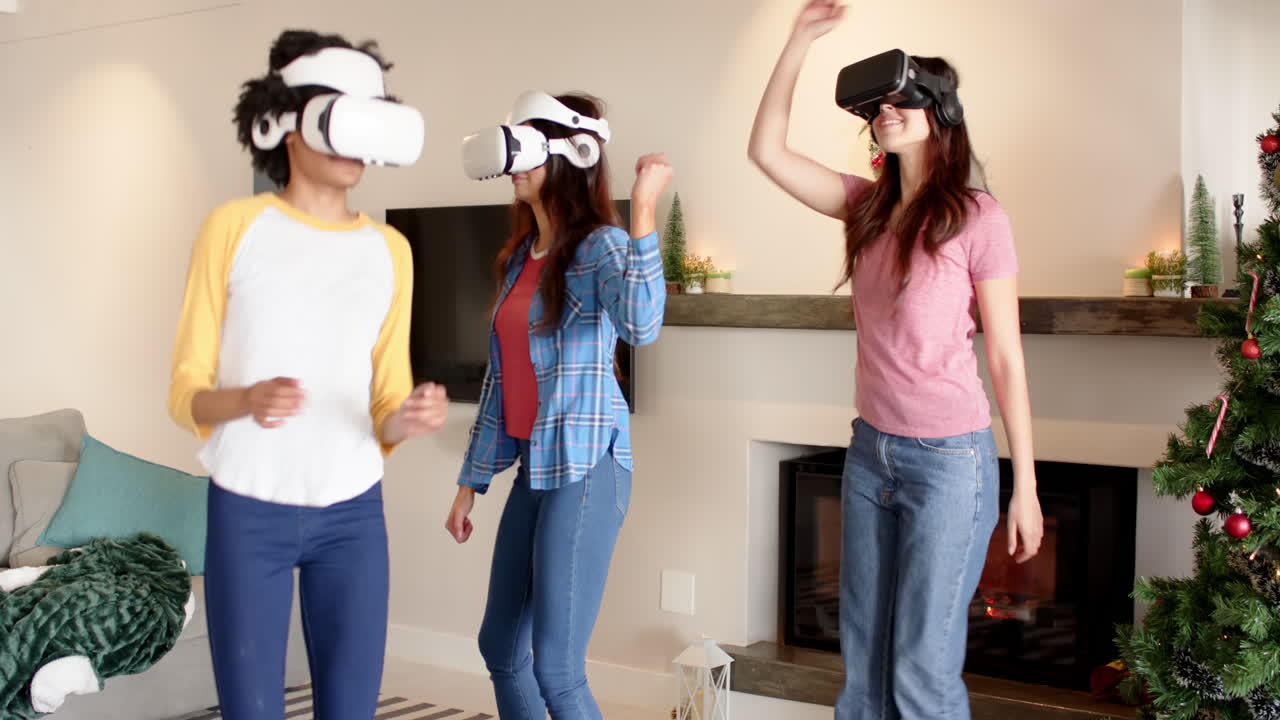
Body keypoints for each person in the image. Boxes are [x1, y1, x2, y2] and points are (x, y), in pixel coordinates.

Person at [748, 3, 1044, 718]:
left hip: (950, 462)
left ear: (939, 111)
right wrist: (798, 42)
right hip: (871, 453)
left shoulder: (979, 218)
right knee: (866, 666)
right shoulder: (866, 211)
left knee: (920, 668)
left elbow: (1004, 355)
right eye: (877, 105)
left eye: (901, 99)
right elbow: (766, 151)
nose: (885, 110)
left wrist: (1025, 485)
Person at [167, 29, 446, 720]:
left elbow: (383, 399)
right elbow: (184, 391)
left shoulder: (392, 252)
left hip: (352, 515)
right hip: (247, 508)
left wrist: (403, 418)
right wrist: (246, 399)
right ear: (287, 125)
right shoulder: (232, 227)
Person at [447, 91, 672, 720]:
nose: (514, 163)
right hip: (536, 467)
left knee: (556, 668)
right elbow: (500, 382)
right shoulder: (520, 257)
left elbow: (643, 322)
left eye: (527, 147)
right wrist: (470, 483)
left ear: (570, 154)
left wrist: (645, 206)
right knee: (500, 646)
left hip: (587, 469)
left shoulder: (599, 246)